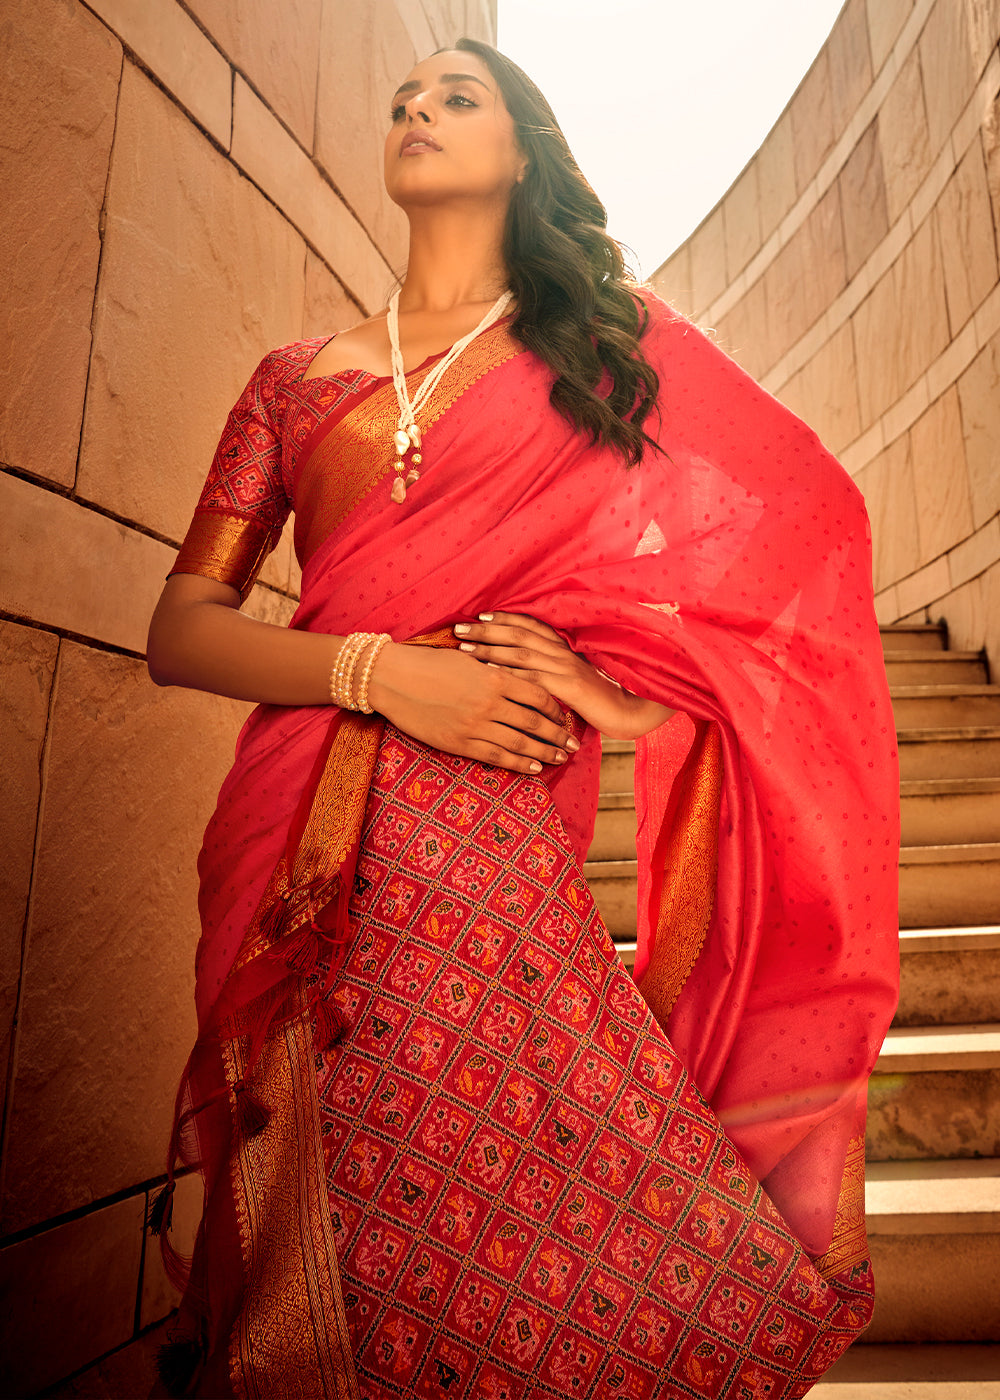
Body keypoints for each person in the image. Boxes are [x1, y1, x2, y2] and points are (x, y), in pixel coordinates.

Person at [146, 37, 899, 1400]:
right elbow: (180, 631)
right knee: (310, 1199)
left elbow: (792, 539)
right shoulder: (292, 379)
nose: (417, 112)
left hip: (489, 840)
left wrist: (612, 688)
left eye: (457, 95)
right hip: (292, 823)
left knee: (512, 1207)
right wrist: (381, 672)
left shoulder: (608, 354)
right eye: (401, 100)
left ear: (525, 148)